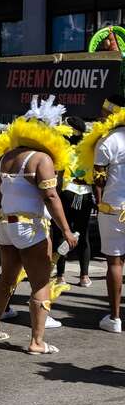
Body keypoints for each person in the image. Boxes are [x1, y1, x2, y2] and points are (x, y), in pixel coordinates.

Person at [0, 96, 77, 352]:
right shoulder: (41, 160)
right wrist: (66, 230)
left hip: (5, 227)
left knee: (6, 280)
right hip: (30, 228)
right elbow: (51, 196)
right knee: (41, 283)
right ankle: (37, 342)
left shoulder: (3, 158)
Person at [78, 94, 125, 333]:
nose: (101, 115)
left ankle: (115, 318)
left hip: (113, 209)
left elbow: (98, 180)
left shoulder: (106, 142)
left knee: (115, 262)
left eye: (105, 111)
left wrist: (99, 201)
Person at [51, 116, 93, 288]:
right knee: (83, 235)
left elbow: (59, 175)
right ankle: (84, 276)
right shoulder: (90, 148)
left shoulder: (62, 149)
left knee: (61, 233)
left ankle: (60, 276)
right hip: (85, 194)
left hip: (67, 193)